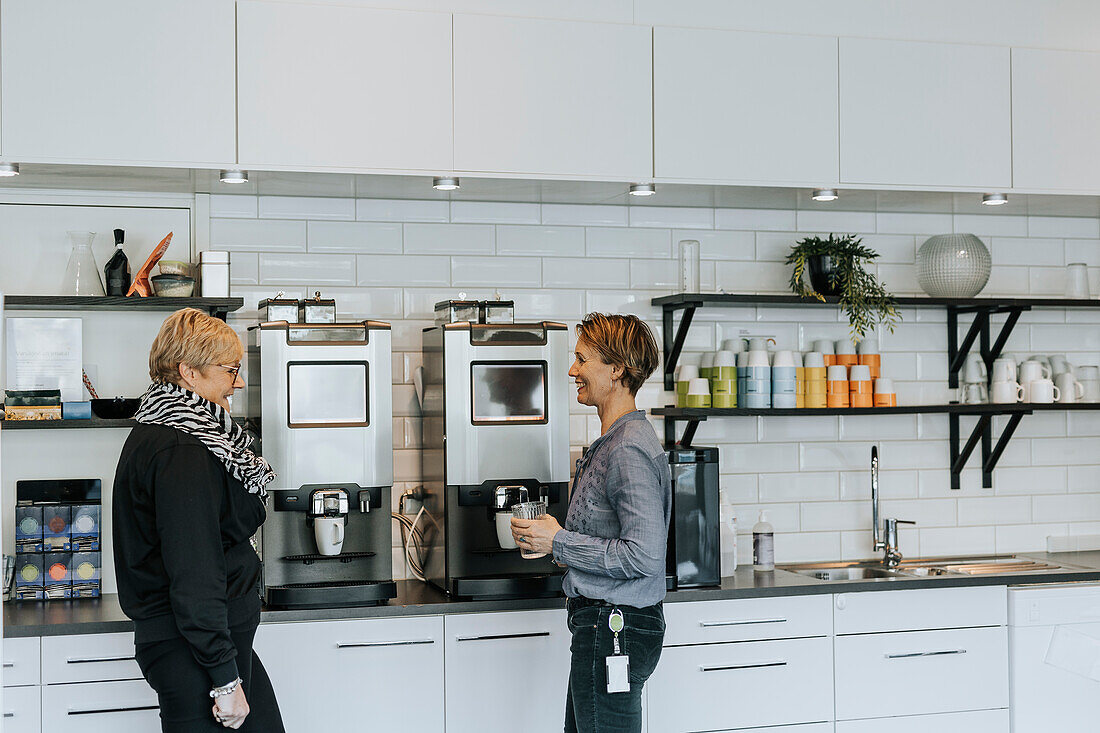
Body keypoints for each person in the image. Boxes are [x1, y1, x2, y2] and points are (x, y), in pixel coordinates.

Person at [112, 308, 284, 732]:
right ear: (188, 372)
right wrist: (225, 680)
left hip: (207, 639)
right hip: (193, 648)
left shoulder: (176, 430)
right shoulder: (179, 449)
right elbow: (195, 568)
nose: (239, 382)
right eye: (230, 370)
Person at [511, 312, 671, 733]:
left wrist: (560, 542)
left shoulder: (627, 448)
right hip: (604, 627)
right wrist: (552, 542)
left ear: (616, 369)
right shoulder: (615, 442)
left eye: (582, 360)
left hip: (613, 627)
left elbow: (644, 554)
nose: (572, 370)